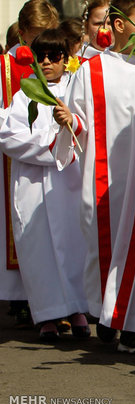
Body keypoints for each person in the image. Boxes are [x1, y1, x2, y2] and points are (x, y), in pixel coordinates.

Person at [52, 0, 135, 355]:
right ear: (118, 25)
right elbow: (81, 121)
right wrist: (70, 121)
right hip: (102, 176)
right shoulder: (92, 69)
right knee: (102, 245)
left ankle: (131, 329)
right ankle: (106, 314)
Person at [0, 28, 89, 341]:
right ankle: (48, 315)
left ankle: (78, 309)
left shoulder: (77, 90)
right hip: (33, 185)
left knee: (74, 245)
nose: (48, 62)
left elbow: (89, 129)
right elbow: (9, 137)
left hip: (69, 184)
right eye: (41, 57)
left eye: (55, 56)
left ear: (67, 59)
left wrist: (73, 124)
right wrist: (51, 145)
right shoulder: (24, 94)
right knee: (39, 249)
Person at [0, 0, 59, 328]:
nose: (40, 47)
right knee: (20, 228)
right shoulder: (5, 68)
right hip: (12, 161)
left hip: (51, 164)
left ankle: (52, 304)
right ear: (21, 33)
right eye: (34, 37)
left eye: (46, 37)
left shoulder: (56, 63)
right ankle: (22, 300)